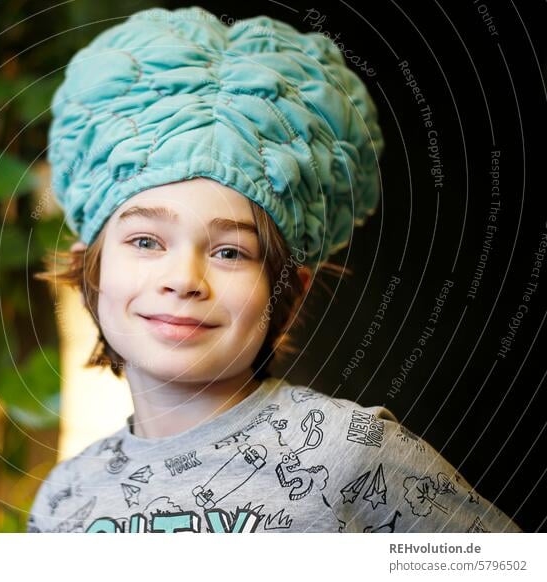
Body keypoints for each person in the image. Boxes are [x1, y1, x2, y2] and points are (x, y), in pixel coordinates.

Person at [27, 6, 521, 533]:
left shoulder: (349, 454)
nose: (183, 279)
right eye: (146, 241)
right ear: (91, 271)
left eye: (230, 252)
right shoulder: (64, 499)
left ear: (288, 293)